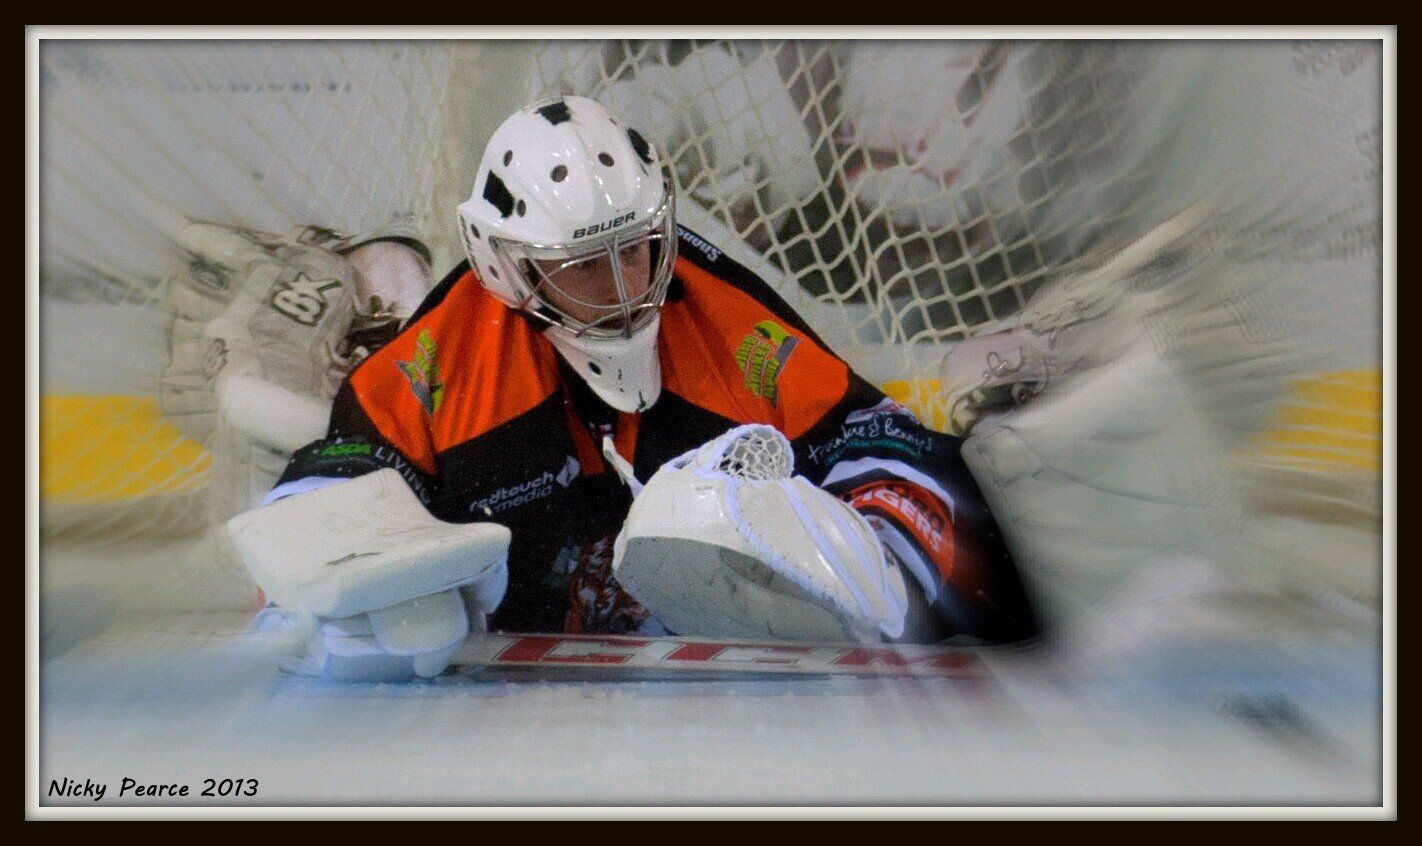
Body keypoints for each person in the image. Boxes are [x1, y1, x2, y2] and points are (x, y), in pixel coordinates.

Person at [230, 96, 1037, 680]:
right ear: (508, 267)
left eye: (637, 247)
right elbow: (316, 503)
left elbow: (882, 446)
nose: (624, 288)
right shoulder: (439, 358)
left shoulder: (726, 321)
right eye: (584, 262)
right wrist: (351, 585)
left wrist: (885, 563)